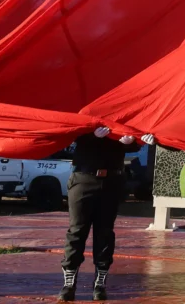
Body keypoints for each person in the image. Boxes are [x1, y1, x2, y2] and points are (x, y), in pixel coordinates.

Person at [58, 127, 149, 302]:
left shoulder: (119, 117)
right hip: (84, 178)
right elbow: (71, 132)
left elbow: (133, 143)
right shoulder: (87, 112)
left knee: (105, 232)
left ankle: (100, 283)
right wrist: (92, 136)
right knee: (77, 230)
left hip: (112, 181)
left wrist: (131, 143)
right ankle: (69, 283)